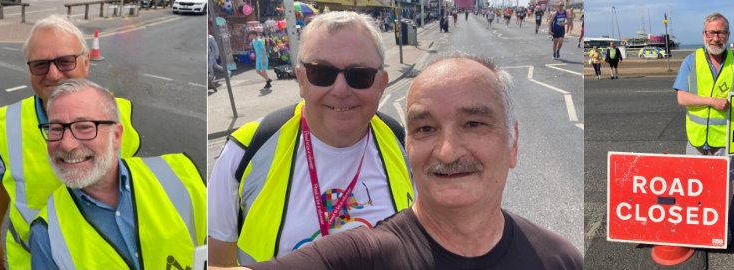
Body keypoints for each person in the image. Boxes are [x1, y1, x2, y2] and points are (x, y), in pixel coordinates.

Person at [222, 55, 584, 270]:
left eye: (473, 124)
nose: (447, 151)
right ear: (409, 147)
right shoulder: (366, 256)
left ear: (513, 142)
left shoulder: (560, 259)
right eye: (425, 128)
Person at [207, 11, 415, 266]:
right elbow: (217, 262)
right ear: (301, 80)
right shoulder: (245, 150)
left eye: (359, 75)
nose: (340, 90)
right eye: (321, 73)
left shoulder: (404, 142)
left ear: (382, 84)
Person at [0, 15, 143, 270]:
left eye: (65, 61)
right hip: (30, 260)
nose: (53, 74)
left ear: (86, 62)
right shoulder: (9, 122)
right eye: (40, 64)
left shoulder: (119, 117)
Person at [26, 79, 205, 269]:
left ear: (116, 136)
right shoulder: (46, 234)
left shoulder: (181, 174)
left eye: (85, 127)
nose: (67, 144)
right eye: (56, 128)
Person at [674, 13, 734, 159]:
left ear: (728, 35)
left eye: (720, 33)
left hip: (725, 138)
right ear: (704, 35)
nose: (715, 38)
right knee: (695, 179)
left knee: (726, 180)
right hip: (696, 138)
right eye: (711, 33)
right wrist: (712, 101)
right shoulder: (691, 60)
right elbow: (682, 98)